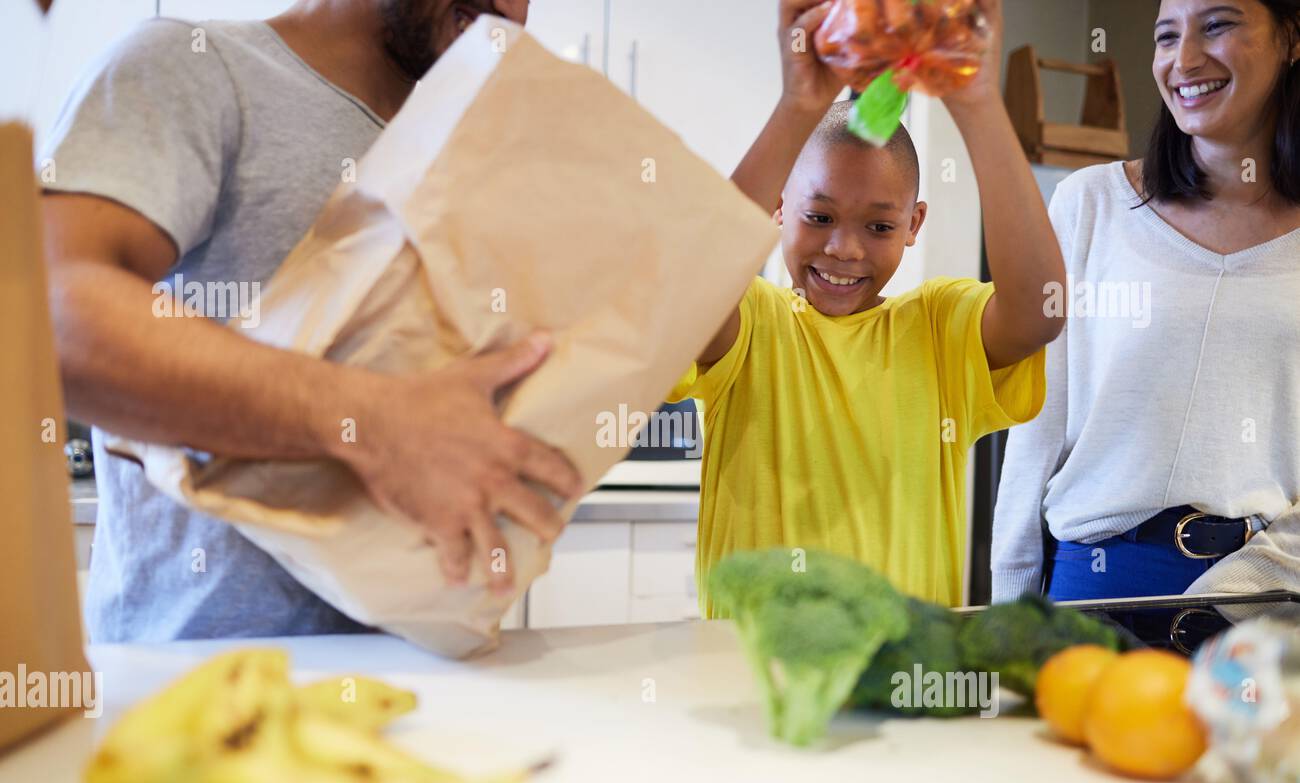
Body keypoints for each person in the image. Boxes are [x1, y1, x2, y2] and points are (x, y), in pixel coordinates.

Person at [42, 0, 582, 642]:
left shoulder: (471, 151)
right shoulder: (199, 69)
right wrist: (377, 423)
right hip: (200, 688)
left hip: (432, 684)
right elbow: (51, 314)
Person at [676, 0, 1063, 617]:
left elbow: (1041, 311)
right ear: (780, 206)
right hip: (752, 674)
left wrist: (980, 102)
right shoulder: (750, 322)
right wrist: (797, 105)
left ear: (914, 225)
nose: (844, 248)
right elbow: (684, 301)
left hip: (901, 675)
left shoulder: (936, 327)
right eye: (819, 216)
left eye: (879, 226)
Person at [992, 0, 1300, 640]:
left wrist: (1239, 592)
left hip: (1267, 611)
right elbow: (1034, 431)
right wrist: (1009, 617)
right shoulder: (1090, 205)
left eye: (1218, 25)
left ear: (1291, 39)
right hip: (1089, 598)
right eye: (1166, 36)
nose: (1184, 60)